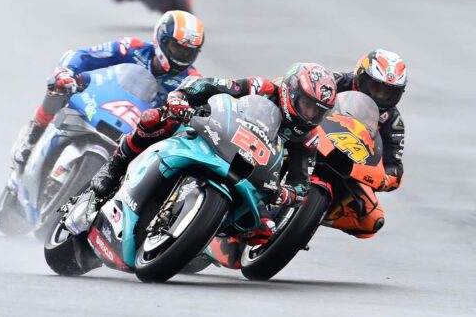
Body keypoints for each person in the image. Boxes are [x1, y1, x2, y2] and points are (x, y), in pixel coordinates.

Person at [71, 62, 338, 244]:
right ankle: (114, 167)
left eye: (318, 111)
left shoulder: (308, 138)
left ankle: (207, 238)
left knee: (264, 232)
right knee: (155, 119)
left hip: (252, 177)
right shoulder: (261, 88)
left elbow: (301, 181)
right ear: (291, 90)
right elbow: (211, 85)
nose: (310, 115)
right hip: (217, 136)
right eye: (306, 105)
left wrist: (288, 194)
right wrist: (182, 99)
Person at [12, 10, 205, 171]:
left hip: (143, 130)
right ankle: (33, 135)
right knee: (59, 84)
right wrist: (66, 72)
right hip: (107, 102)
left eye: (188, 51)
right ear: (161, 38)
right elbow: (85, 55)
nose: (182, 55)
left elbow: (205, 113)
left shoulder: (193, 80)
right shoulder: (132, 48)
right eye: (176, 47)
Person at [330, 49, 407, 238]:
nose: (380, 96)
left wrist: (386, 179)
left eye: (389, 92)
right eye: (376, 87)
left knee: (372, 220)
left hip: (348, 167)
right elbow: (296, 88)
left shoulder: (393, 121)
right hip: (310, 140)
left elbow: (394, 166)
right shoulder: (336, 81)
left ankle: (311, 219)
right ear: (360, 78)